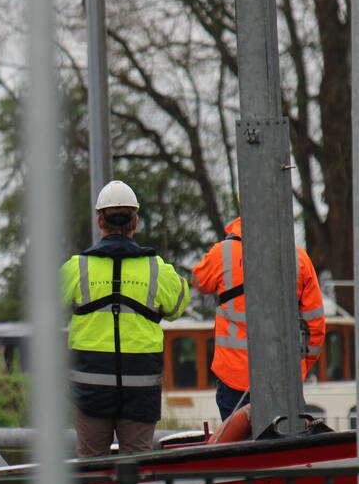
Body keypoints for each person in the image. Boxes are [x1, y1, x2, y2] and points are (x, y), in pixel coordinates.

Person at [61, 181, 188, 458]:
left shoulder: (76, 267)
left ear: (99, 222)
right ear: (136, 222)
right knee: (137, 468)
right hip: (140, 386)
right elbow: (178, 306)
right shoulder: (158, 269)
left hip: (89, 387)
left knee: (91, 469)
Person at [192, 215, 325, 421]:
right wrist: (303, 365)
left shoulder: (223, 253)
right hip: (285, 377)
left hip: (234, 376)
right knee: (286, 446)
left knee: (239, 449)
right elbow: (315, 324)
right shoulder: (298, 258)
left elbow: (199, 282)